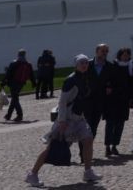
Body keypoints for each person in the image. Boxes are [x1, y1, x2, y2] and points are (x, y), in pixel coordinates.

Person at [25, 54, 100, 186]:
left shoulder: (85, 78)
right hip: (68, 119)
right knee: (52, 148)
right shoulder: (70, 80)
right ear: (76, 65)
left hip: (79, 118)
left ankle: (88, 171)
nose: (84, 65)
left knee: (88, 139)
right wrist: (62, 121)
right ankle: (33, 174)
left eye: (86, 63)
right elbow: (62, 102)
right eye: (81, 63)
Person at [102, 47, 132, 157]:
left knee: (120, 124)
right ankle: (107, 146)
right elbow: (107, 79)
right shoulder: (113, 66)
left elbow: (131, 83)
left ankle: (115, 145)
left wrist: (130, 98)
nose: (125, 56)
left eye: (127, 55)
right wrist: (109, 87)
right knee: (110, 123)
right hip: (112, 99)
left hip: (124, 99)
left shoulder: (130, 67)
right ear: (119, 55)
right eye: (123, 54)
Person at [84, 43, 109, 140]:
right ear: (96, 51)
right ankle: (83, 150)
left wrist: (109, 86)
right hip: (87, 100)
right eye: (103, 51)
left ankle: (88, 148)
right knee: (86, 126)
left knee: (94, 127)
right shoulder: (87, 64)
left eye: (106, 51)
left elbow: (111, 80)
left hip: (100, 101)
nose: (105, 53)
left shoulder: (109, 66)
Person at [1, 49, 34, 122]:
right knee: (14, 98)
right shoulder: (28, 64)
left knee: (15, 99)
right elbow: (31, 74)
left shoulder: (14, 63)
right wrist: (33, 83)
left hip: (13, 83)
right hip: (21, 83)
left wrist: (3, 82)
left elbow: (8, 74)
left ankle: (19, 115)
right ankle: (8, 115)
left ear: (18, 54)